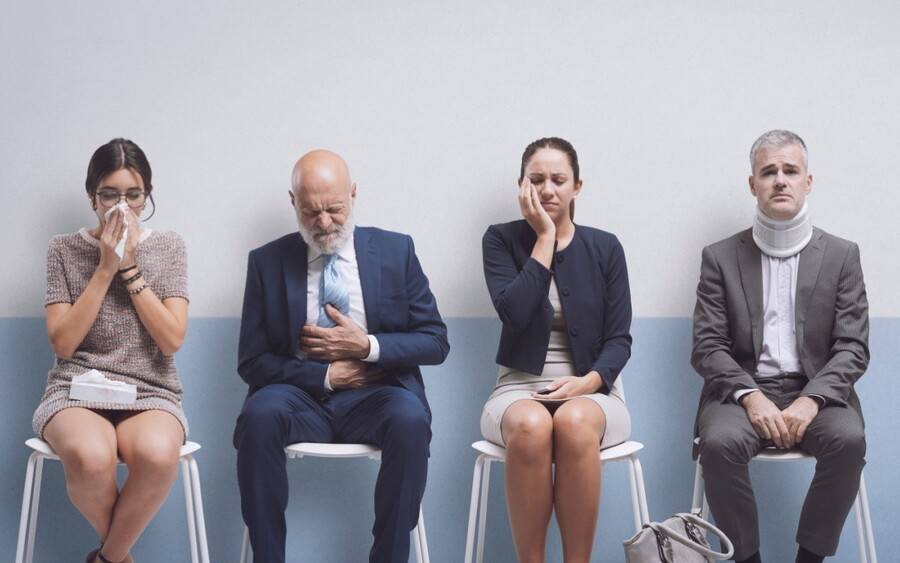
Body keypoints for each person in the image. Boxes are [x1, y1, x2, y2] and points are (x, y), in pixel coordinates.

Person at [234, 149, 449, 563]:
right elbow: (252, 362)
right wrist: (328, 376)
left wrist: (366, 347)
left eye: (334, 208)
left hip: (377, 393)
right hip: (298, 395)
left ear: (353, 194)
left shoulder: (395, 251)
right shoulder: (266, 262)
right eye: (312, 211)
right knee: (258, 417)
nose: (325, 222)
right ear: (293, 202)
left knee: (410, 420)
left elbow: (435, 341)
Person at [691, 130, 868, 563]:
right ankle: (746, 560)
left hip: (817, 395)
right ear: (753, 184)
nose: (780, 180)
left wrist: (812, 400)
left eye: (791, 171)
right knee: (717, 443)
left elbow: (852, 347)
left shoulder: (842, 255)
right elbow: (707, 346)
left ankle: (809, 560)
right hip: (741, 393)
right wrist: (750, 397)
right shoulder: (719, 256)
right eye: (769, 172)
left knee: (849, 440)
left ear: (809, 181)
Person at [34, 138, 190, 563]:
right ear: (92, 197)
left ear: (146, 197)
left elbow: (172, 339)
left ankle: (107, 558)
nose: (121, 205)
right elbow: (63, 343)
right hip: (75, 390)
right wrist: (105, 267)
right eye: (109, 194)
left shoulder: (169, 247)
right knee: (90, 456)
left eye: (133, 195)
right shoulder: (62, 250)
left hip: (150, 391)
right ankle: (120, 558)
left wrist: (130, 266)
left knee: (159, 455)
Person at [480, 137, 633, 563]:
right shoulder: (500, 240)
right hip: (518, 389)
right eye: (537, 179)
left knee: (575, 420)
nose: (547, 189)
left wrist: (589, 382)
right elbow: (514, 312)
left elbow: (620, 338)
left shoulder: (605, 248)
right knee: (531, 426)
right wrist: (544, 237)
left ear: (577, 187)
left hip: (595, 390)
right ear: (522, 185)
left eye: (558, 180)